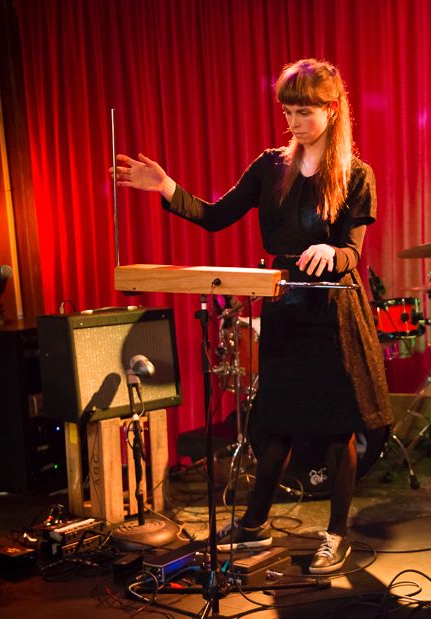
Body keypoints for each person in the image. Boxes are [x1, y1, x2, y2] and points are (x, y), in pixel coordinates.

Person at [113, 58, 393, 574]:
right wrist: (166, 186)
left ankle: (336, 533)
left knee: (337, 431)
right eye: (287, 111)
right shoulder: (271, 167)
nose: (293, 122)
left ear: (333, 111)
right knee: (275, 423)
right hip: (284, 302)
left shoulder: (356, 174)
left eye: (304, 112)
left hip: (334, 307)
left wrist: (333, 253)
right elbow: (216, 216)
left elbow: (353, 251)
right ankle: (253, 525)